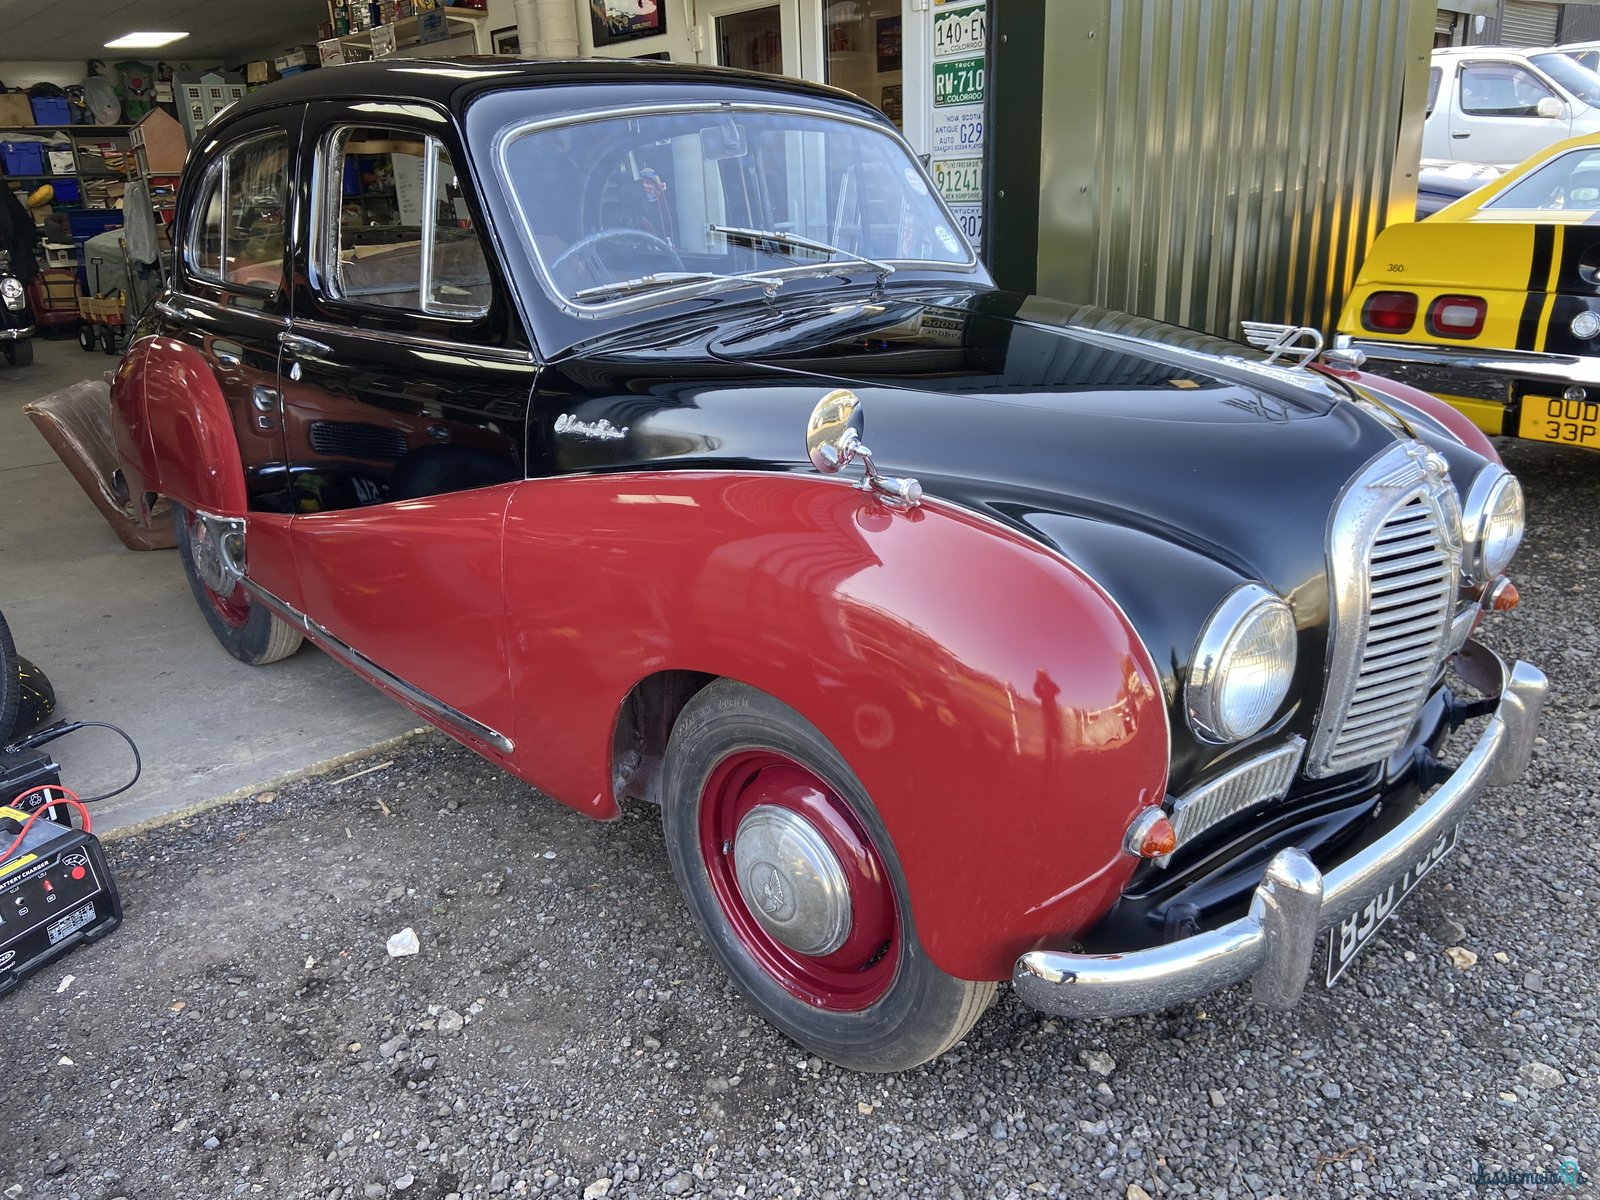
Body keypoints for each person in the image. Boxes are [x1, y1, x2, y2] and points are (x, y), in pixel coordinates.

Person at [0, 166, 41, 287]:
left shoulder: (4, 194)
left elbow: (9, 225)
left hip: (14, 252)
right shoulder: (5, 193)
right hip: (17, 250)